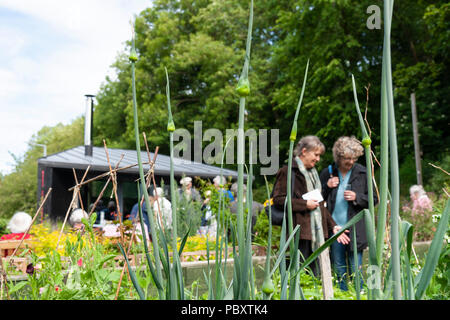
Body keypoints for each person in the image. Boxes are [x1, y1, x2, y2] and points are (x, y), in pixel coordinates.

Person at [273, 135, 350, 276]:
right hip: (299, 234)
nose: (318, 159)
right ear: (304, 151)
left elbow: (319, 205)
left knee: (316, 276)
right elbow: (278, 200)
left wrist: (333, 225)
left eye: (319, 155)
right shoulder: (287, 171)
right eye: (316, 154)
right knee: (299, 274)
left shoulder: (313, 174)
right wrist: (304, 204)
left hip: (318, 233)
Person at [319, 136, 378, 291]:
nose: (351, 162)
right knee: (338, 267)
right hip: (335, 228)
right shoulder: (328, 172)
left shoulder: (363, 173)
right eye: (347, 159)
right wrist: (326, 186)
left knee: (355, 266)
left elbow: (374, 199)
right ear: (338, 157)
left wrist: (357, 197)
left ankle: (360, 294)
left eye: (354, 159)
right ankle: (342, 294)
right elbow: (317, 200)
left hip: (355, 228)